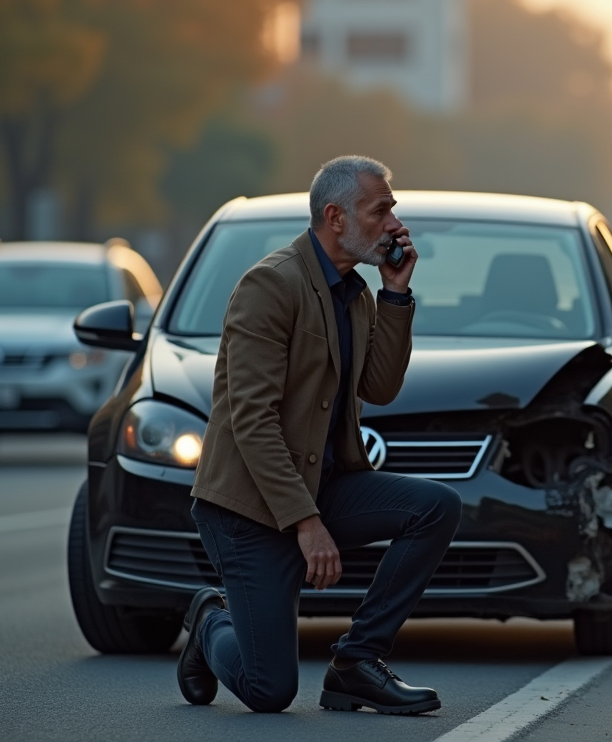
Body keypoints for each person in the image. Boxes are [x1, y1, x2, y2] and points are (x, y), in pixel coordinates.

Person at [177, 155, 462, 715]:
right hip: (248, 510)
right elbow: (250, 421)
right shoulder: (270, 285)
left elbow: (379, 388)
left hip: (321, 486)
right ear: (336, 217)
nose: (392, 224)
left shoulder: (356, 292)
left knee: (435, 507)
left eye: (391, 211)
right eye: (379, 211)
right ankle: (210, 619)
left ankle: (356, 662)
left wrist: (396, 293)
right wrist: (307, 525)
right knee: (269, 690)